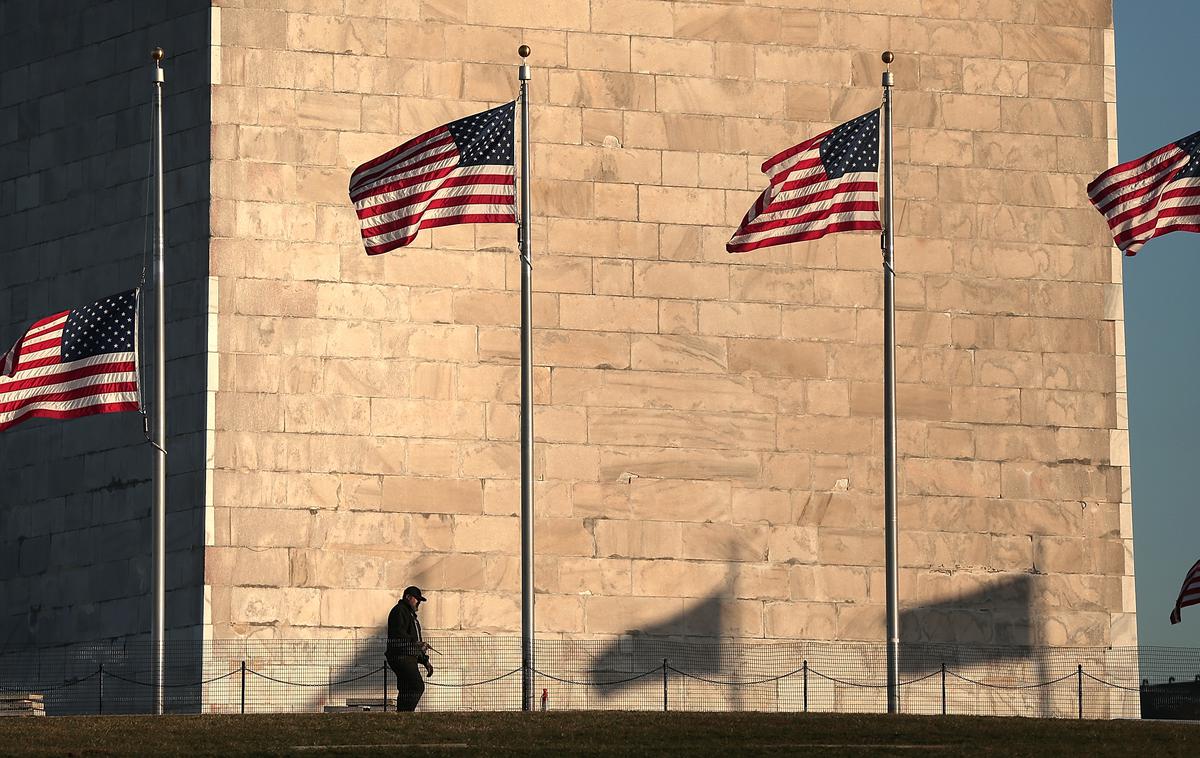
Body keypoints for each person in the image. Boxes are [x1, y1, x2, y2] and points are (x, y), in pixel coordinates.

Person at [387, 586, 433, 711]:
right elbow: (398, 633)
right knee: (416, 686)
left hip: (407, 656)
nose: (418, 602)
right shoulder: (399, 611)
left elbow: (414, 639)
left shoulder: (411, 615)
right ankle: (406, 713)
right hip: (401, 656)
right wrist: (417, 643)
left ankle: (402, 716)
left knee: (406, 687)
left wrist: (425, 661)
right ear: (408, 597)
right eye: (416, 599)